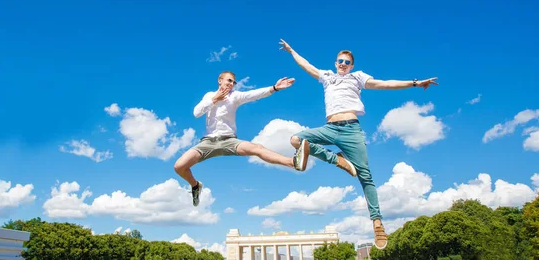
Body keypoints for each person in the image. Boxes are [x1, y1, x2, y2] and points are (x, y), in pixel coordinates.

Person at [279, 39, 438, 250]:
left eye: (346, 62)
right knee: (296, 140)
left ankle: (378, 223)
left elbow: (385, 83)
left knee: (365, 175)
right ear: (335, 63)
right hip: (329, 128)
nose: (343, 64)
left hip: (351, 129)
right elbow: (306, 65)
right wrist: (291, 51)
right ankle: (337, 159)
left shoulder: (357, 77)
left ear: (351, 65)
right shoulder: (327, 77)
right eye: (340, 61)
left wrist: (415, 83)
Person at [174, 70, 310, 206]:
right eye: (229, 80)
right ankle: (195, 186)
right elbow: (197, 113)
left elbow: (253, 95)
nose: (231, 84)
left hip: (229, 140)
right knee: (179, 166)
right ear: (220, 80)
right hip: (208, 142)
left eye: (233, 82)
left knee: (257, 148)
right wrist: (215, 99)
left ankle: (294, 162)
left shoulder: (235, 96)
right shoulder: (209, 95)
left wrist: (273, 88)